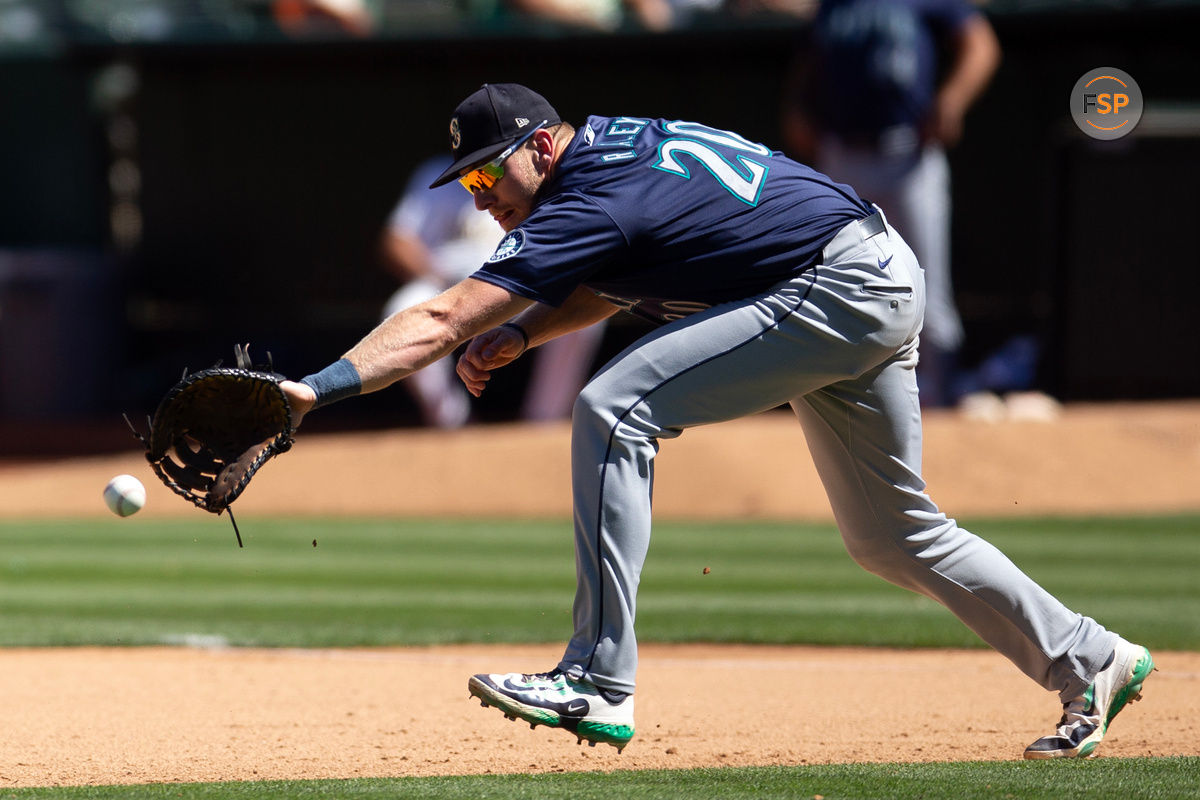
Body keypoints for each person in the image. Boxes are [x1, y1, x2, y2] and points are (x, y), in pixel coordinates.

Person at [280, 83, 1152, 758]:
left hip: (834, 286)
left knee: (613, 409)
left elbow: (441, 319)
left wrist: (314, 390)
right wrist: (525, 329)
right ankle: (1089, 658)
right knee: (893, 535)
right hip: (872, 270)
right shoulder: (615, 149)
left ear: (541, 146)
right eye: (467, 181)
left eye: (487, 172)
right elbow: (609, 280)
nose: (478, 198)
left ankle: (596, 678)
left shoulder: (589, 195)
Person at [781, 0, 1001, 407]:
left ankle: (939, 395)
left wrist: (952, 100)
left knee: (928, 286)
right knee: (838, 282)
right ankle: (842, 397)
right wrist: (797, 105)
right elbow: (812, 56)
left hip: (908, 153)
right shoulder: (833, 5)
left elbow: (981, 43)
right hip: (841, 153)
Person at [380, 154, 606, 427]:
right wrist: (439, 280)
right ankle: (452, 423)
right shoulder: (436, 174)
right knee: (402, 308)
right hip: (453, 283)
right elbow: (397, 241)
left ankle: (544, 421)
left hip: (522, 285)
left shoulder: (523, 172)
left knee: (582, 304)